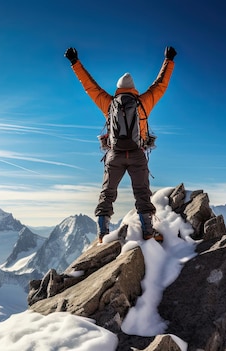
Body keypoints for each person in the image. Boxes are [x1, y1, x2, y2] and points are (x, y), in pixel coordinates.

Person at [64, 46, 176, 243]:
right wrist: (169, 60)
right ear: (134, 89)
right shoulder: (143, 102)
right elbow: (161, 85)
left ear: (118, 88)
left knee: (108, 192)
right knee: (142, 192)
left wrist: (75, 62)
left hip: (114, 155)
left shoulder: (109, 104)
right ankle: (149, 232)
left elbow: (89, 85)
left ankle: (102, 234)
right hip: (137, 154)